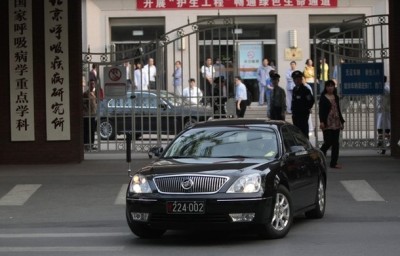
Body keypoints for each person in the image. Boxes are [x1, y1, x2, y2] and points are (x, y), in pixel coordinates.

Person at [319, 79, 345, 169]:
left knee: (335, 143)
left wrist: (341, 121)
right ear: (325, 87)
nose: (330, 88)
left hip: (336, 122)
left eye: (332, 86)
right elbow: (321, 111)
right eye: (328, 86)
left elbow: (338, 110)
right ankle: (319, 155)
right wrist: (322, 121)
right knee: (328, 141)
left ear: (334, 87)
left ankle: (333, 163)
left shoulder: (336, 97)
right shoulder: (323, 97)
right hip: (327, 122)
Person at [291, 70, 315, 138]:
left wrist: (306, 109)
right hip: (295, 115)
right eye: (295, 79)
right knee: (297, 133)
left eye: (298, 79)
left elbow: (311, 101)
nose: (297, 81)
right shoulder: (294, 89)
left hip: (303, 115)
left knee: (303, 133)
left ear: (301, 79)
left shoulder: (305, 90)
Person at [376, 76, 391, 154]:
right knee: (380, 129)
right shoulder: (379, 87)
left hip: (385, 111)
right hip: (380, 112)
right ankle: (382, 145)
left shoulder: (386, 88)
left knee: (386, 130)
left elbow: (386, 93)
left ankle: (384, 145)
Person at [83, 81, 97, 151]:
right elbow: (84, 105)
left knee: (92, 131)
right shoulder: (86, 94)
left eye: (93, 84)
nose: (92, 85)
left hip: (93, 115)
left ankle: (91, 145)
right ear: (88, 85)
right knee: (87, 131)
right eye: (91, 84)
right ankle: (86, 145)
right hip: (87, 115)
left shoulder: (93, 94)